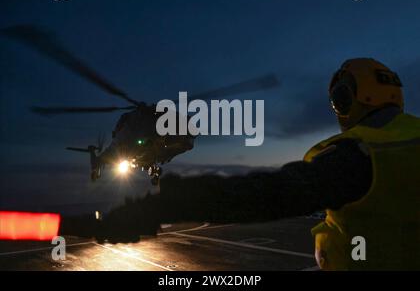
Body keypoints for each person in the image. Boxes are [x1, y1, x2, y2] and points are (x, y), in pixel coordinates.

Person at [76, 58, 419, 270]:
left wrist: (156, 207)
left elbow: (264, 195)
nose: (336, 109)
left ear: (352, 99)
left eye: (338, 100)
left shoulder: (356, 155)